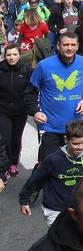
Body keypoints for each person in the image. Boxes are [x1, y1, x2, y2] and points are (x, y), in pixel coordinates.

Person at [18, 119, 83, 225]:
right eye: (75, 143)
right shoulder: (53, 159)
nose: (80, 147)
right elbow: (36, 179)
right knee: (59, 239)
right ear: (66, 140)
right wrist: (24, 199)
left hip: (79, 208)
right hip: (55, 209)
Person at [29, 31, 83, 163]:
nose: (69, 48)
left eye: (72, 45)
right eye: (66, 45)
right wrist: (35, 112)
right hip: (49, 126)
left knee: (73, 167)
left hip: (75, 127)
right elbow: (29, 93)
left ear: (77, 46)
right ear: (58, 46)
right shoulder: (44, 65)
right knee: (47, 165)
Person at [0, 43, 37, 178]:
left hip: (20, 111)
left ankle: (14, 163)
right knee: (6, 139)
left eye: (15, 54)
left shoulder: (26, 70)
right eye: (8, 55)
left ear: (19, 55)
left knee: (16, 140)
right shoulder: (1, 69)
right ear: (5, 56)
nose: (11, 57)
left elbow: (32, 89)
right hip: (3, 111)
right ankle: (6, 164)